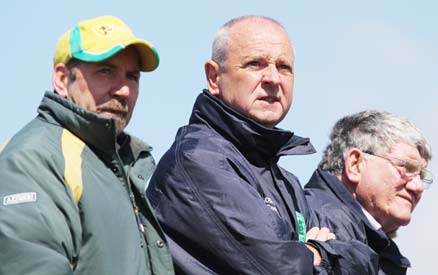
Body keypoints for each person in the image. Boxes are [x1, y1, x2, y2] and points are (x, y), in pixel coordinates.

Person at [147, 15, 378, 274]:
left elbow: (365, 258)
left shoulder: (284, 180)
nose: (273, 79)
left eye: (284, 67)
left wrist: (316, 253)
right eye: (255, 64)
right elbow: (280, 269)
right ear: (213, 77)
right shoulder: (199, 160)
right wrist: (321, 253)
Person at [0, 15, 174, 275]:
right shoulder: (34, 158)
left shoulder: (112, 164)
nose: (123, 90)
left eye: (132, 76)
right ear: (61, 79)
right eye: (105, 71)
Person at [304, 110, 433, 274]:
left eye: (421, 175)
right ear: (355, 164)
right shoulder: (320, 220)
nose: (418, 186)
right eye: (406, 167)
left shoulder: (374, 242)